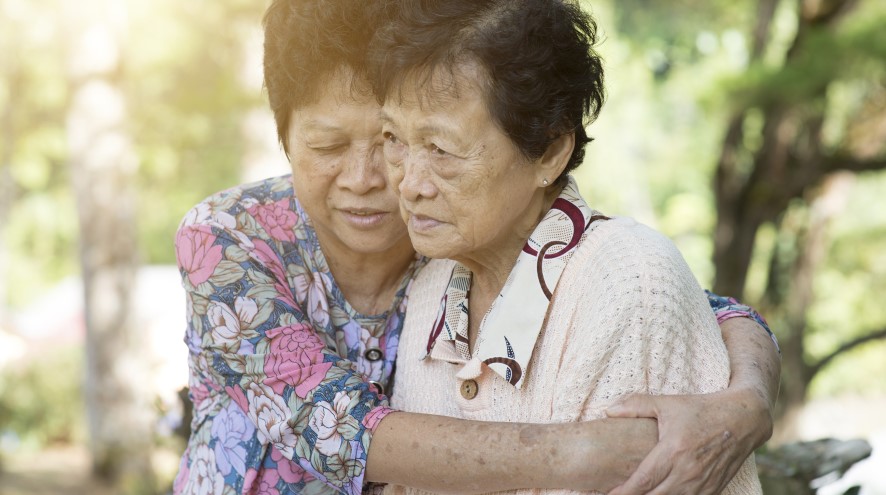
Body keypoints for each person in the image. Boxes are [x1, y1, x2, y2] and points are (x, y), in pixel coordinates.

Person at [172, 1, 780, 494]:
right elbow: (338, 431)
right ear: (284, 139)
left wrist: (747, 404)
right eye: (328, 147)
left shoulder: (451, 233)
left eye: (394, 140)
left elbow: (686, 302)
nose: (371, 178)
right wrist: (584, 452)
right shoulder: (230, 239)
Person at [371, 0, 767, 494]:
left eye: (441, 149)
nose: (408, 183)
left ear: (551, 151)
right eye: (393, 138)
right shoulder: (432, 284)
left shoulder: (627, 282)